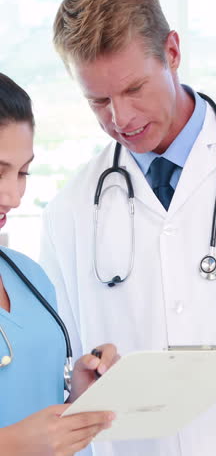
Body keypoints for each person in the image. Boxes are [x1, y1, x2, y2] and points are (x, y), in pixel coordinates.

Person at [39, 0, 216, 455]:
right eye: (98, 101)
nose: (120, 118)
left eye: (133, 89)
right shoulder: (69, 213)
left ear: (173, 52)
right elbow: (61, 384)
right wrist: (78, 383)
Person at [0, 72, 117, 455]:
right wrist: (11, 444)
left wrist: (78, 396)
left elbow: (38, 406)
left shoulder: (28, 276)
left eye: (23, 172)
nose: (14, 196)